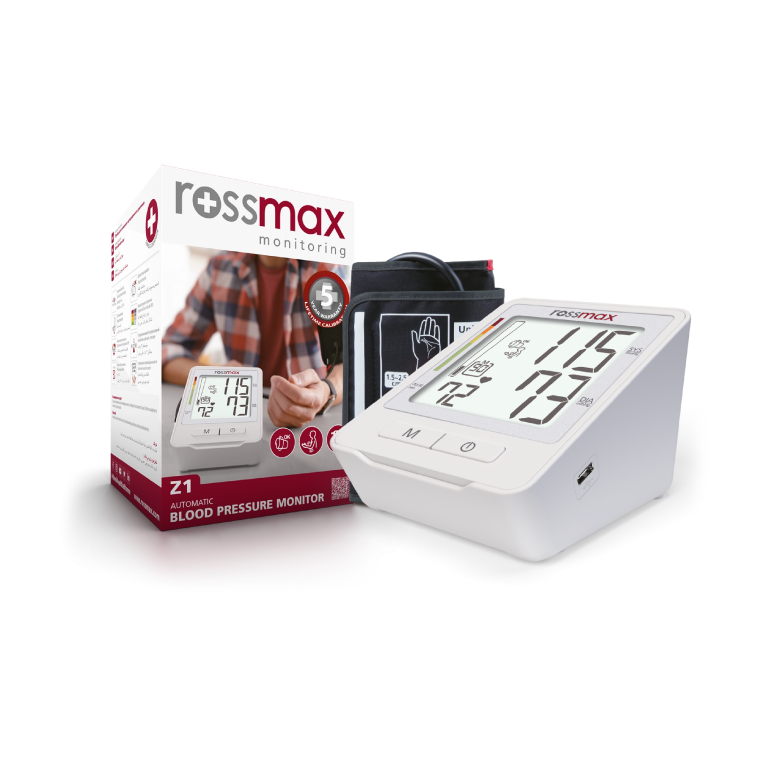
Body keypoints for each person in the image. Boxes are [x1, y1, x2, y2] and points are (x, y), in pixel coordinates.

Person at [162, 252, 345, 428]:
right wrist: (216, 376)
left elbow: (353, 360)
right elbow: (167, 350)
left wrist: (325, 392)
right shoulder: (219, 268)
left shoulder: (323, 269)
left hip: (313, 421)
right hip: (238, 417)